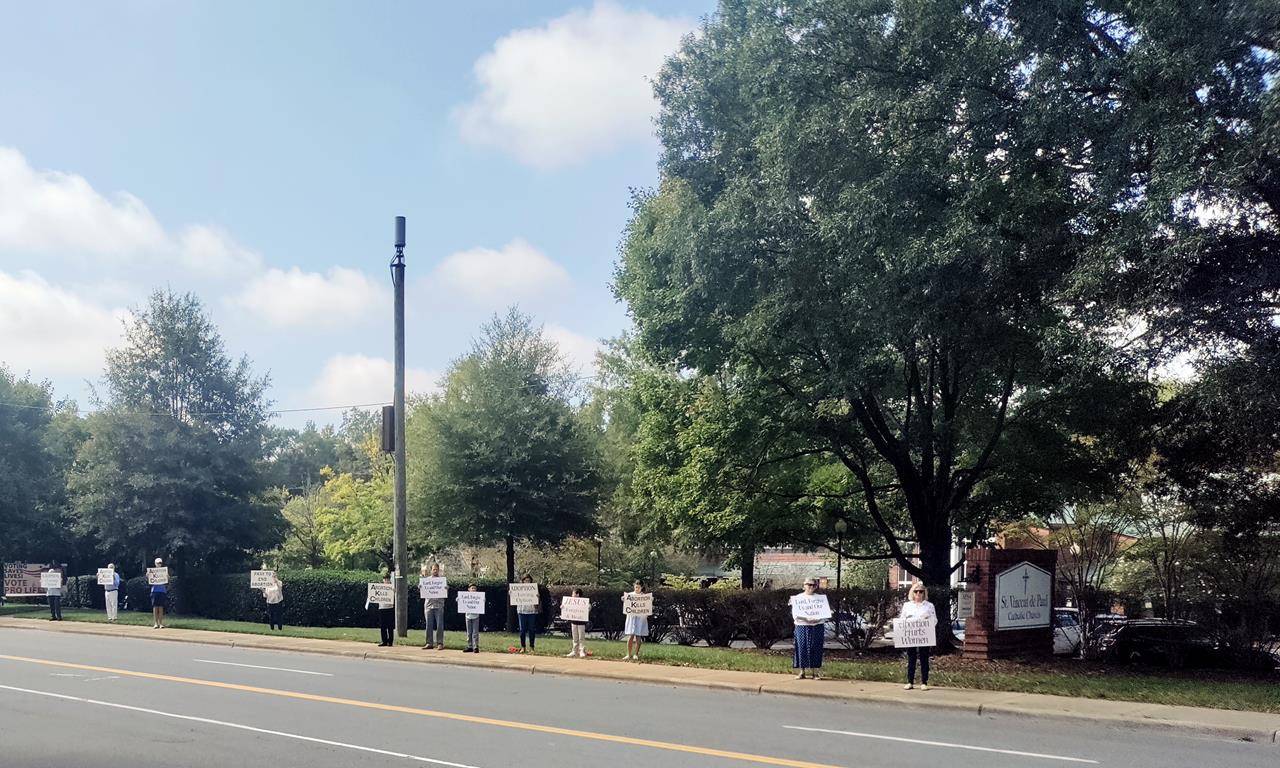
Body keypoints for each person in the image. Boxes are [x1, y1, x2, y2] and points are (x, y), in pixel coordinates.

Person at [901, 581, 937, 690]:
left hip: (924, 635)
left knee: (924, 658)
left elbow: (934, 620)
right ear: (912, 592)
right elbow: (902, 619)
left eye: (921, 591)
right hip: (911, 635)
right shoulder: (907, 605)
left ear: (924, 593)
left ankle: (924, 682)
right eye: (916, 591)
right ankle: (910, 681)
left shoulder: (929, 606)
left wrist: (927, 619)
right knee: (911, 658)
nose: (918, 593)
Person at [789, 578, 825, 679]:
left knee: (816, 648)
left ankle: (815, 672)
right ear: (804, 585)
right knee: (801, 647)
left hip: (817, 626)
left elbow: (824, 613)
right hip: (802, 626)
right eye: (809, 584)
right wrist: (806, 619)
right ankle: (802, 672)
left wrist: (817, 619)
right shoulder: (798, 598)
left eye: (814, 585)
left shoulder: (820, 599)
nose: (811, 587)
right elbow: (795, 615)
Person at [421, 563, 445, 650]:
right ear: (431, 570)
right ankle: (429, 643)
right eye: (433, 569)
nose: (435, 571)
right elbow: (423, 591)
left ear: (439, 570)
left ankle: (440, 643)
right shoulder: (426, 581)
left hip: (439, 605)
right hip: (428, 605)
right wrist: (421, 587)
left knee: (439, 625)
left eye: (436, 569)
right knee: (428, 625)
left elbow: (445, 592)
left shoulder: (442, 581)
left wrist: (446, 588)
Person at [367, 572, 395, 646]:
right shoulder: (380, 587)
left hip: (389, 608)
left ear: (389, 580)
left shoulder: (392, 588)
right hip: (382, 608)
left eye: (387, 579)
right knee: (383, 626)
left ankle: (390, 641)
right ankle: (384, 641)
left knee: (390, 626)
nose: (386, 581)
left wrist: (393, 590)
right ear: (383, 580)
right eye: (385, 579)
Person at [623, 580, 649, 661]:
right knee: (630, 636)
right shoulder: (630, 595)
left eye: (638, 587)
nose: (637, 589)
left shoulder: (644, 596)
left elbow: (647, 606)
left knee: (638, 636)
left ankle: (636, 654)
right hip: (632, 617)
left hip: (640, 618)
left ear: (641, 587)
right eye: (636, 587)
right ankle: (628, 654)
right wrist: (624, 599)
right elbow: (626, 602)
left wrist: (650, 600)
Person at [516, 574, 539, 653]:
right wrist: (511, 593)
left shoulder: (534, 589)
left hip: (531, 611)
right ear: (523, 581)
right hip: (521, 611)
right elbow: (514, 597)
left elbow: (537, 603)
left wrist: (537, 597)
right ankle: (523, 647)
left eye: (529, 580)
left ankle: (532, 647)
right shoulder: (518, 589)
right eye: (526, 580)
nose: (527, 582)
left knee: (531, 630)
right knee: (522, 630)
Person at [565, 587, 588, 658]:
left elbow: (588, 607)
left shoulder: (584, 602)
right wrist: (563, 607)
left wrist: (588, 607)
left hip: (581, 623)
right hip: (574, 622)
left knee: (581, 638)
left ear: (577, 594)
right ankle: (574, 651)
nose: (572, 595)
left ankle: (581, 651)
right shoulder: (571, 602)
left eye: (573, 594)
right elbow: (566, 608)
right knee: (575, 638)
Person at [463, 584, 481, 653]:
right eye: (472, 588)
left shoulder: (478, 597)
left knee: (475, 632)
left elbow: (481, 602)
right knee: (469, 632)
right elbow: (460, 601)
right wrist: (458, 599)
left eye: (475, 588)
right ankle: (470, 646)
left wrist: (482, 600)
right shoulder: (465, 596)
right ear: (469, 589)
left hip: (476, 616)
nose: (473, 589)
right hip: (468, 616)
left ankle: (475, 646)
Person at [150, 558, 168, 629]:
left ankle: (161, 623)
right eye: (158, 563)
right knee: (155, 607)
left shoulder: (164, 571)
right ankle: (155, 623)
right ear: (155, 564)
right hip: (154, 591)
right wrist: (148, 575)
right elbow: (150, 580)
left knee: (161, 607)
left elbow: (167, 580)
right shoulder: (152, 571)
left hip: (162, 591)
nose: (159, 564)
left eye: (160, 563)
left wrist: (167, 576)